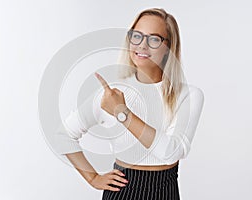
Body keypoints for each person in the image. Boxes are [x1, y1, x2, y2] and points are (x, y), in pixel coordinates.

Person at [58, 8, 204, 200]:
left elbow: (171, 152)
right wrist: (92, 178)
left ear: (169, 47)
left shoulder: (188, 95)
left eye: (153, 39)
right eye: (137, 36)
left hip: (166, 191)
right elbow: (64, 135)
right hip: (122, 191)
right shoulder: (111, 94)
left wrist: (123, 114)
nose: (142, 45)